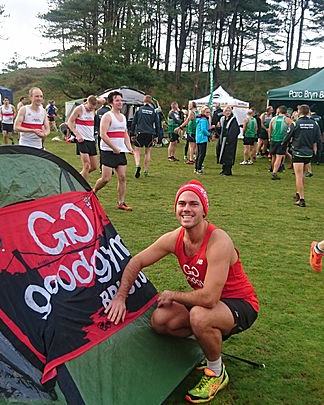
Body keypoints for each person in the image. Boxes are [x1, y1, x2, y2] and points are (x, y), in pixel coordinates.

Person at [105, 179, 259, 404]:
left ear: (204, 210)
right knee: (161, 320)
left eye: (194, 204)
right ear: (175, 208)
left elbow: (209, 298)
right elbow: (137, 261)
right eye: (182, 203)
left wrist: (174, 295)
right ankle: (205, 342)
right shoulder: (176, 237)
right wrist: (120, 297)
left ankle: (217, 372)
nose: (187, 209)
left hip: (241, 304)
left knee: (199, 315)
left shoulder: (218, 240)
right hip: (209, 304)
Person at [92, 91, 134, 211]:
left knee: (122, 177)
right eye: (117, 100)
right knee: (106, 178)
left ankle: (121, 202)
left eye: (121, 100)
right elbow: (103, 134)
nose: (120, 103)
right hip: (107, 151)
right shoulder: (107, 116)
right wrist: (113, 147)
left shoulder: (123, 117)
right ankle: (93, 191)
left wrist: (129, 147)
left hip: (120, 151)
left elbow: (125, 133)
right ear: (111, 103)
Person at [281, 104, 320, 207]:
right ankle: (298, 193)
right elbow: (318, 139)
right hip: (308, 153)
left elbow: (287, 136)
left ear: (299, 112)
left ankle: (301, 199)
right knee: (302, 175)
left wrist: (283, 146)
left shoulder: (295, 123)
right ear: (308, 112)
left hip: (298, 152)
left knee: (298, 176)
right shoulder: (314, 124)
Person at [67, 95, 99, 180]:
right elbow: (69, 122)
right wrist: (77, 134)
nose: (90, 109)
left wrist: (97, 99)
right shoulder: (79, 109)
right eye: (89, 107)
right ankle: (84, 190)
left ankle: (77, 177)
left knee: (94, 166)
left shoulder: (94, 108)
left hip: (91, 140)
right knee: (87, 165)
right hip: (82, 140)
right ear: (86, 103)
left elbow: (103, 100)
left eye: (93, 108)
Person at [131, 94, 160, 177]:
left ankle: (137, 165)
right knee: (147, 152)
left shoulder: (139, 110)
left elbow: (134, 122)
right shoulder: (153, 111)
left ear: (143, 101)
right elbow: (157, 124)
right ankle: (146, 170)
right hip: (150, 133)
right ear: (151, 102)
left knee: (137, 151)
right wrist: (157, 135)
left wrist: (132, 133)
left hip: (140, 132)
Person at [269, 106, 293, 180]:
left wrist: (270, 138)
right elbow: (292, 130)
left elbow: (270, 130)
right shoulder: (288, 120)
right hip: (282, 140)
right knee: (279, 157)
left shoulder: (273, 119)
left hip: (274, 139)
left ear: (278, 111)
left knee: (273, 156)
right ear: (286, 112)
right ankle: (274, 172)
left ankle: (273, 170)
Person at [215, 106, 239, 176]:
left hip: (230, 142)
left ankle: (228, 171)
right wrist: (218, 128)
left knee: (228, 155)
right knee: (222, 154)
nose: (227, 112)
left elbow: (235, 131)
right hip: (223, 140)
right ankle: (223, 169)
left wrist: (229, 140)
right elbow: (220, 131)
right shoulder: (223, 119)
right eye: (226, 111)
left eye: (229, 111)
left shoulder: (233, 120)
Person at [194, 106, 211, 175]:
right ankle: (199, 168)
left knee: (198, 154)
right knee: (202, 154)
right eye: (207, 112)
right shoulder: (204, 120)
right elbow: (204, 129)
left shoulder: (199, 119)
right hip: (202, 138)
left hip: (198, 138)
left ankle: (196, 168)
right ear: (203, 112)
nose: (208, 114)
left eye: (209, 112)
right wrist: (209, 134)